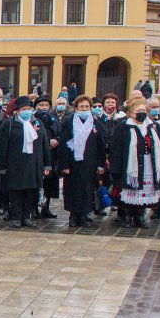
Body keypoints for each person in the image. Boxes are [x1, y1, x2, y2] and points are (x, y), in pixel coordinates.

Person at [109, 97, 160, 227]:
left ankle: (139, 215)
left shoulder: (153, 126)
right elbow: (115, 149)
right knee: (130, 189)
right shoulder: (123, 126)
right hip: (130, 165)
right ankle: (127, 216)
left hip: (148, 163)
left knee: (144, 189)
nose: (141, 113)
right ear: (130, 113)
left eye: (143, 110)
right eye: (138, 111)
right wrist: (116, 169)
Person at [0, 96, 50, 228]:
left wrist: (47, 164)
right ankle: (16, 217)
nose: (27, 111)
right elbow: (1, 146)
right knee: (16, 192)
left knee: (30, 192)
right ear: (17, 111)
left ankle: (27, 216)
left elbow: (44, 144)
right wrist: (1, 166)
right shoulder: (9, 124)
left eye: (28, 109)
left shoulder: (38, 123)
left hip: (33, 164)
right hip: (15, 164)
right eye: (23, 109)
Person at [57, 95, 107, 227]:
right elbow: (63, 144)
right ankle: (73, 216)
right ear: (76, 108)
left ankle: (85, 215)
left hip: (90, 163)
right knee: (73, 189)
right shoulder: (68, 122)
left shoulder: (96, 123)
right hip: (73, 162)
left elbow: (101, 145)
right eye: (81, 107)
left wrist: (101, 164)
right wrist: (64, 165)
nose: (84, 109)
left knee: (87, 189)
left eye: (87, 107)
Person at [33, 95, 61, 218]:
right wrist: (46, 141)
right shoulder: (33, 119)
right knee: (38, 183)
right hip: (39, 154)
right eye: (41, 105)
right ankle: (34, 208)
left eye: (46, 105)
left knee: (49, 183)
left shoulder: (53, 119)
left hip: (52, 155)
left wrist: (57, 140)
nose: (44, 107)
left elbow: (60, 133)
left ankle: (46, 207)